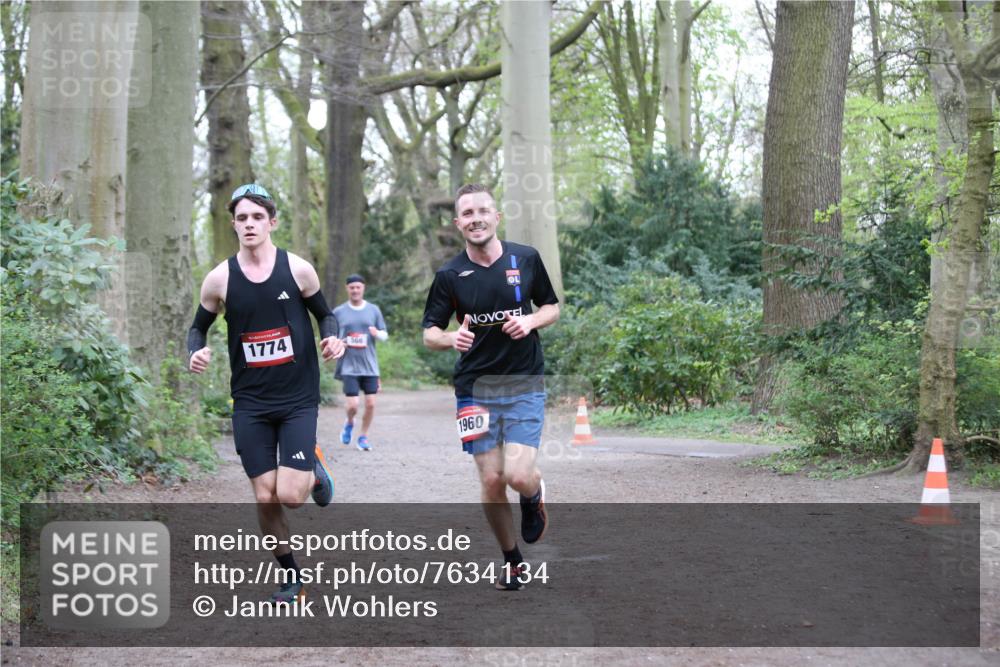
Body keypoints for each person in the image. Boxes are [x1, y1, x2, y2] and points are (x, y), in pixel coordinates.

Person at [187, 183, 345, 603]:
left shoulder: (298, 270)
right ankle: (292, 576)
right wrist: (195, 351)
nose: (250, 224)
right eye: (242, 218)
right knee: (263, 494)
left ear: (272, 222)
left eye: (258, 217)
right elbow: (197, 327)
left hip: (296, 399)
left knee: (290, 496)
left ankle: (312, 466)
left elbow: (327, 317)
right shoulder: (220, 278)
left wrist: (334, 340)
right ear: (233, 224)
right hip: (251, 402)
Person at [422, 183, 560, 591]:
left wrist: (531, 321)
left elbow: (551, 306)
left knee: (517, 475)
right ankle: (513, 561)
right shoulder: (449, 275)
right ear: (458, 223)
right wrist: (450, 339)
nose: (475, 218)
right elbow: (429, 332)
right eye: (467, 213)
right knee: (490, 480)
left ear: (497, 216)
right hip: (472, 390)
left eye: (483, 210)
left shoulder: (526, 258)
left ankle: (533, 496)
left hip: (523, 383)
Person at [333, 274, 388, 451]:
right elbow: (332, 335)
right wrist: (339, 342)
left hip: (370, 366)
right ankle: (349, 422)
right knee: (353, 405)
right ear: (347, 289)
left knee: (371, 404)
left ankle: (363, 436)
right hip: (349, 366)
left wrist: (376, 333)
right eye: (352, 287)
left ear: (363, 288)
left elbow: (385, 335)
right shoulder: (339, 312)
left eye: (358, 287)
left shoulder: (373, 310)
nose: (355, 290)